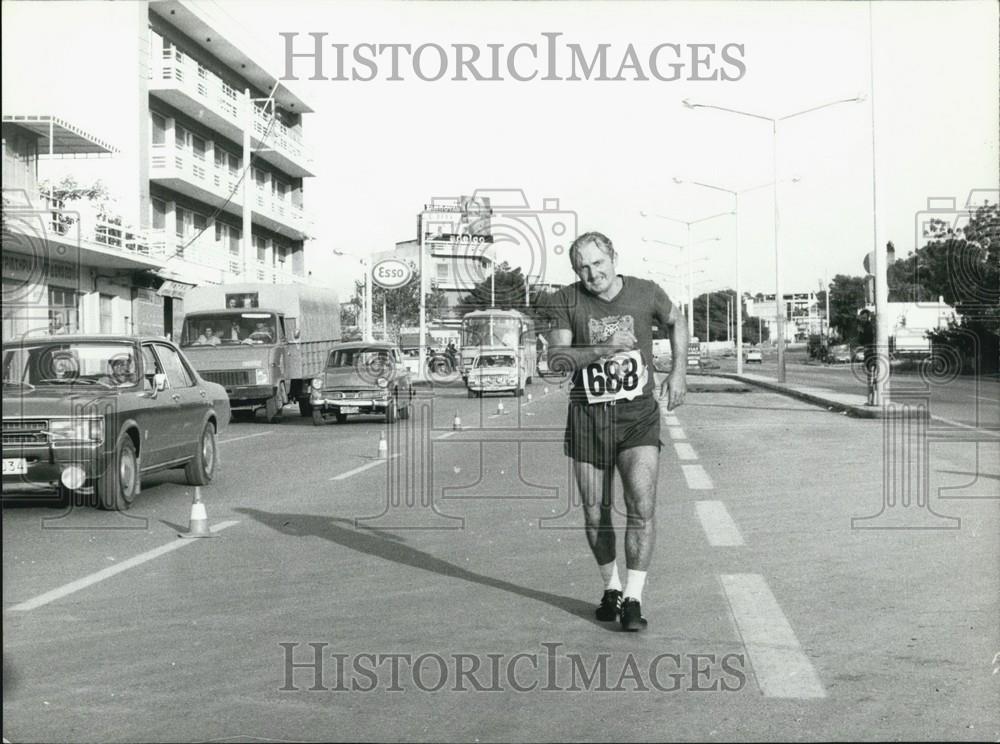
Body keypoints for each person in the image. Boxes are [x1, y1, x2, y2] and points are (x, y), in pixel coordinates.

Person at [543, 231, 687, 632]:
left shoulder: (645, 293)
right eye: (583, 268)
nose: (593, 274)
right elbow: (557, 358)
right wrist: (605, 348)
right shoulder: (567, 300)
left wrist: (679, 372)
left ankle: (634, 600)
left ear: (613, 258)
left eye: (598, 264)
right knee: (595, 511)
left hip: (637, 415)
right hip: (589, 417)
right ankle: (612, 588)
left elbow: (678, 321)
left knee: (641, 508)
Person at [858, 308, 877, 405]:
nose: (862, 320)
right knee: (871, 377)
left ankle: (871, 401)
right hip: (870, 354)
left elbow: (863, 341)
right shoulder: (868, 327)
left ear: (868, 318)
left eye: (864, 318)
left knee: (871, 378)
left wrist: (861, 332)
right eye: (861, 318)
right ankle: (871, 400)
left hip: (871, 354)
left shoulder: (868, 328)